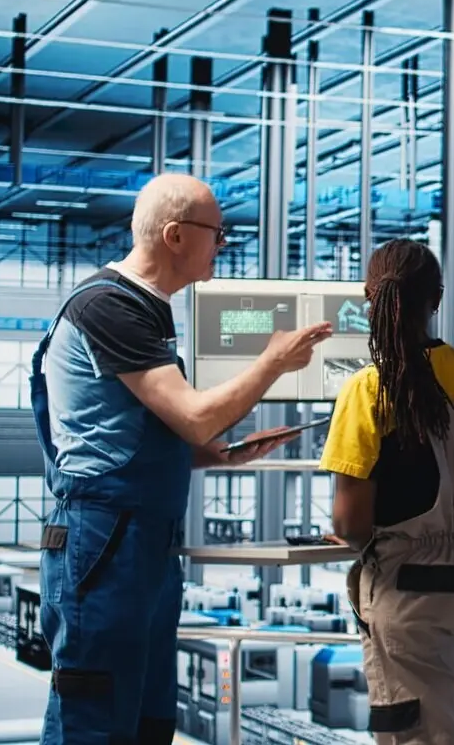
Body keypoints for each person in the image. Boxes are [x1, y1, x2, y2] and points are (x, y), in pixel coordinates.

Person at [30, 173, 334, 744]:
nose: (223, 243)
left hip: (141, 543)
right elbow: (193, 416)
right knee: (95, 718)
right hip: (104, 545)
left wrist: (211, 456)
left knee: (148, 723)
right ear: (174, 236)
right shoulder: (108, 307)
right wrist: (272, 362)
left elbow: (131, 435)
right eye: (216, 232)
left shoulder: (148, 309)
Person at [319, 238, 454, 744]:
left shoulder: (367, 390)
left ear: (370, 300)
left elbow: (351, 524)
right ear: (436, 300)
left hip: (414, 590)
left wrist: (348, 537)